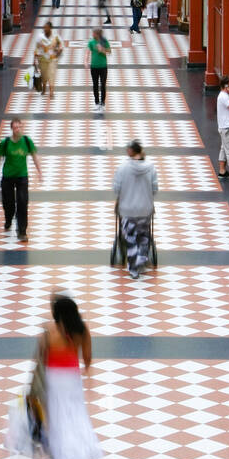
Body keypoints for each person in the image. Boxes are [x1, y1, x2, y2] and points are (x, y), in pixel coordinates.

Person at [40, 295, 101, 459]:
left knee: (56, 423)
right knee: (73, 419)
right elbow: (88, 358)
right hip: (72, 380)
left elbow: (41, 358)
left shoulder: (50, 331)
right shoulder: (82, 329)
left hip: (54, 380)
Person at [113, 141, 158, 280]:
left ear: (130, 152)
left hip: (128, 210)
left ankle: (133, 268)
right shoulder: (151, 168)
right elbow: (154, 189)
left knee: (131, 237)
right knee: (144, 236)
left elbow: (116, 189)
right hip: (145, 209)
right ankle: (142, 258)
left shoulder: (122, 168)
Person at [0, 117, 42, 243]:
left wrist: (40, 172)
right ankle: (8, 218)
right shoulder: (5, 143)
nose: (18, 130)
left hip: (22, 176)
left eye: (20, 127)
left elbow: (34, 156)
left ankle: (22, 231)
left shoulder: (27, 141)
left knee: (22, 201)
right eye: (16, 127)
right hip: (8, 177)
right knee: (8, 202)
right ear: (12, 129)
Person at [35, 21, 63, 100]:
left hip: (52, 59)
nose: (45, 29)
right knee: (44, 75)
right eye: (44, 28)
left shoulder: (55, 37)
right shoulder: (40, 37)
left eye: (46, 28)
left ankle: (51, 92)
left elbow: (61, 45)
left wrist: (58, 51)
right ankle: (44, 88)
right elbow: (36, 47)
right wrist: (34, 58)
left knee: (51, 75)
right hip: (42, 59)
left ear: (50, 28)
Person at [87, 26, 110, 113]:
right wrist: (85, 61)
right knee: (95, 85)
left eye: (93, 33)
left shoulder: (103, 41)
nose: (92, 34)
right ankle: (97, 103)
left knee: (103, 84)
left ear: (97, 34)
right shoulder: (91, 42)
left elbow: (109, 51)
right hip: (94, 67)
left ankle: (102, 103)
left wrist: (102, 49)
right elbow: (87, 51)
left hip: (103, 66)